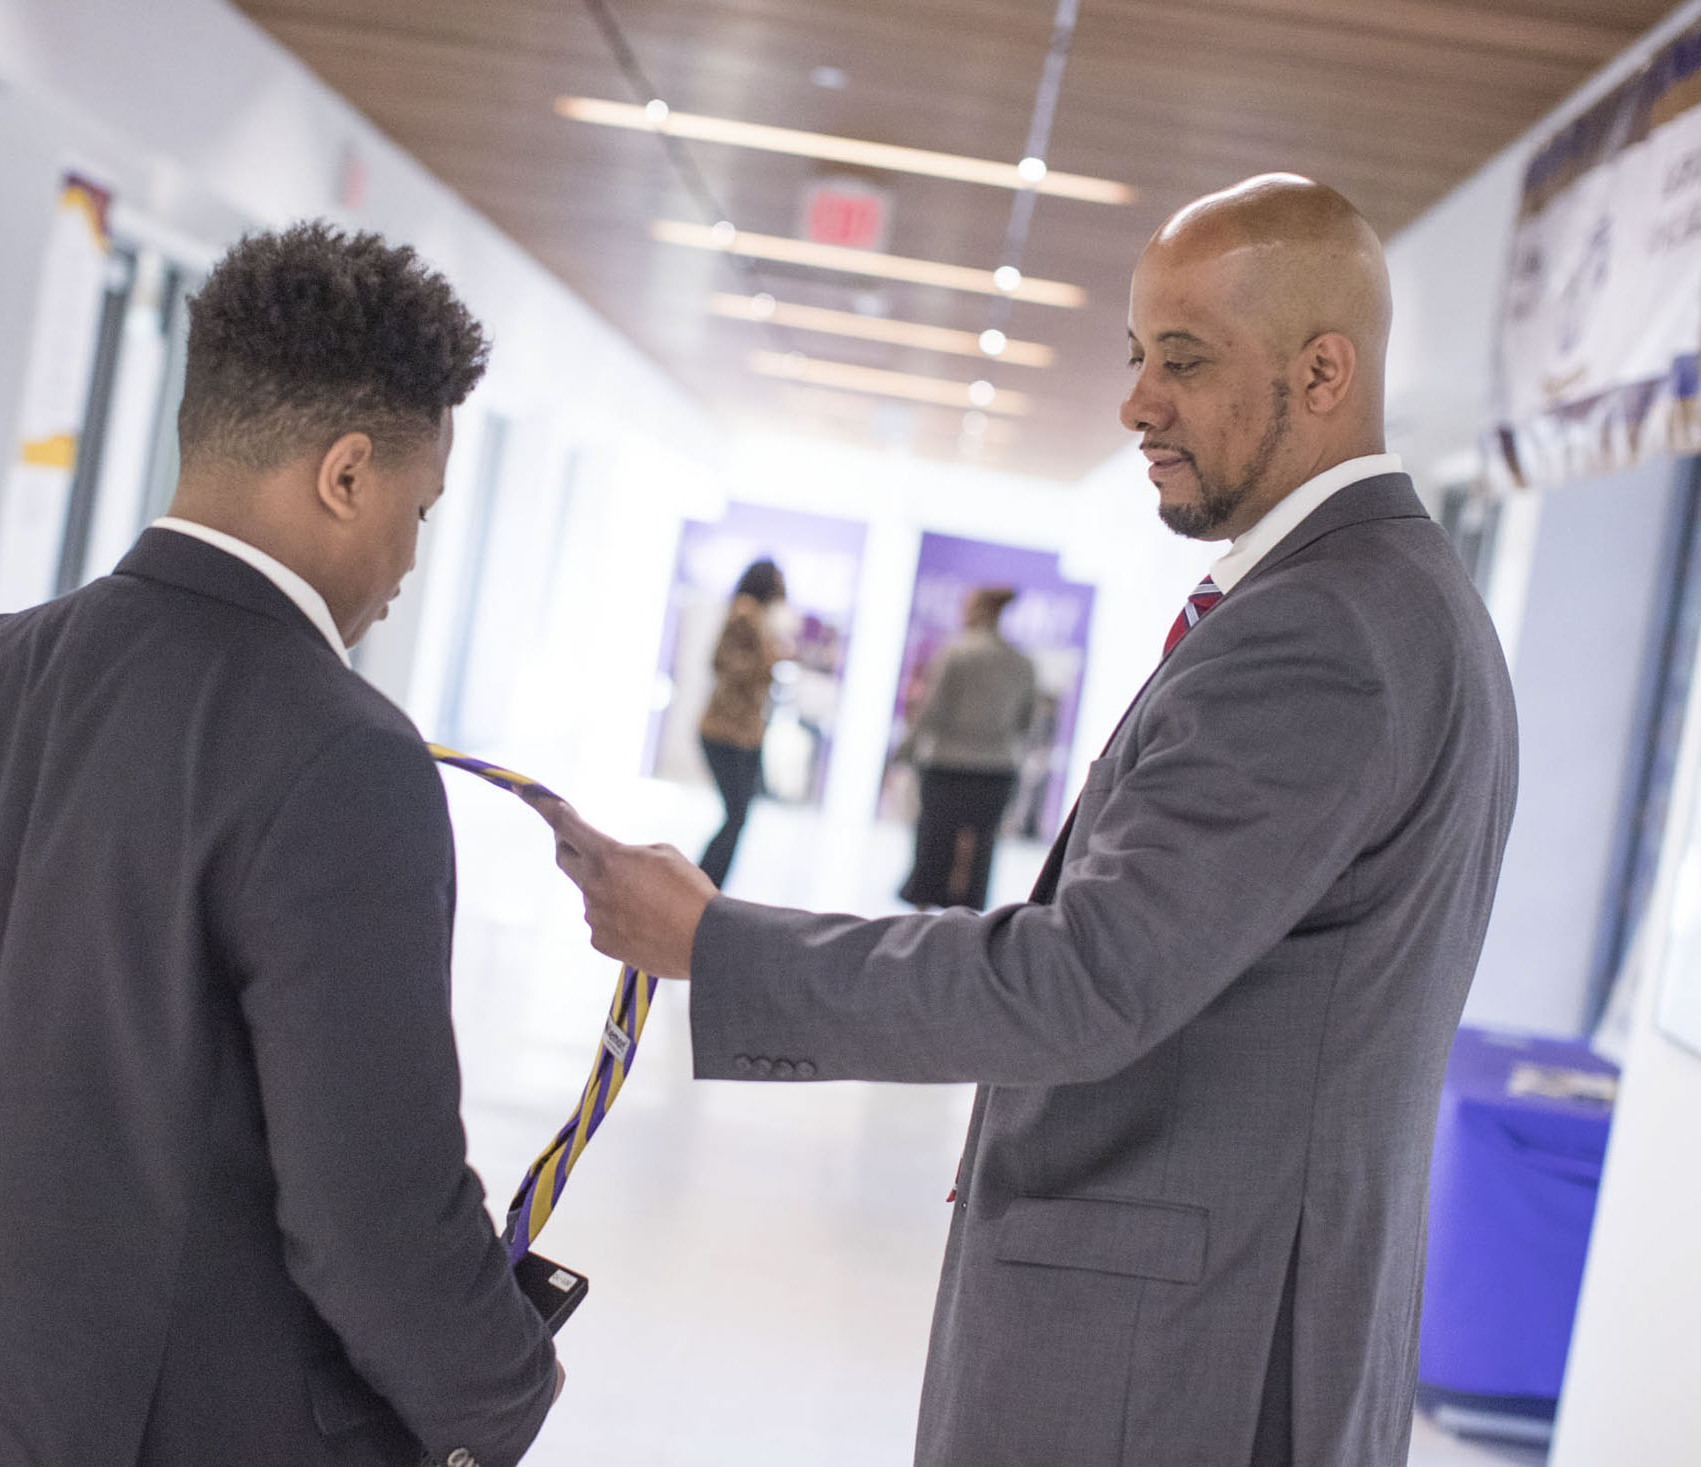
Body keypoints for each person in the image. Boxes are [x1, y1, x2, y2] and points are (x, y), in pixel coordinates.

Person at [535, 175, 1519, 1467]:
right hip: (1224, 1319)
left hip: (1178, 1361)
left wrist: (722, 946)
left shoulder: (1322, 632)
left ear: (1324, 372)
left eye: (1184, 359)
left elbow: (1087, 978)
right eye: (1135, 356)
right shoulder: (1383, 598)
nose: (1136, 402)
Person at [0, 224, 561, 1467]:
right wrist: (501, 1392)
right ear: (343, 475)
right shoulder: (347, 756)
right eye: (415, 506)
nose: (405, 562)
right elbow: (370, 1215)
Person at [897, 586, 1039, 910]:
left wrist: (906, 749)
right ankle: (967, 919)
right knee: (980, 850)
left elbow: (932, 710)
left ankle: (921, 918)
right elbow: (1027, 722)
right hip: (997, 768)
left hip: (948, 762)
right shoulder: (1022, 663)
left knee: (934, 841)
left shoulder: (957, 654)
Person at [694, 558, 787, 887]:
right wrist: (766, 663)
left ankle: (706, 887)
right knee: (736, 815)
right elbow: (722, 662)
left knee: (738, 816)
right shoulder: (745, 613)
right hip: (727, 730)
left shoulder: (755, 615)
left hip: (743, 731)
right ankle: (702, 886)